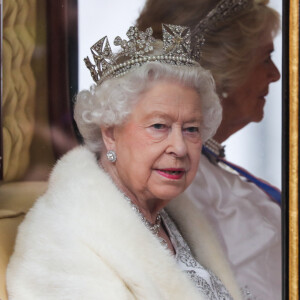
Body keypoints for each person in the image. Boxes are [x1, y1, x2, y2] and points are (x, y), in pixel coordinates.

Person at [6, 24, 244, 299]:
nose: (179, 147)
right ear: (110, 133)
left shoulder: (172, 217)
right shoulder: (64, 239)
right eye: (159, 126)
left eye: (191, 129)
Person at [136, 0, 281, 299]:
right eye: (266, 58)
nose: (275, 74)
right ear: (226, 68)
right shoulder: (184, 182)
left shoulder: (208, 171)